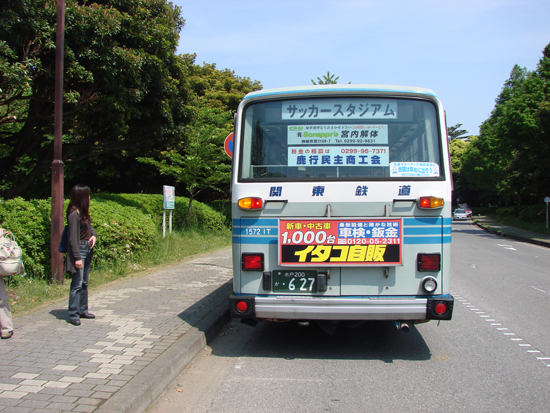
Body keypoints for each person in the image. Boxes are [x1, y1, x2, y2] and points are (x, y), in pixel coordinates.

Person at [65, 184, 97, 326]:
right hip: (79, 250)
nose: (89, 198)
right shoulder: (73, 215)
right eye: (87, 195)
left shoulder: (83, 213)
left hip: (87, 249)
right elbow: (72, 239)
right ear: (82, 197)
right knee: (77, 283)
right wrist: (77, 258)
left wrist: (94, 236)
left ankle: (83, 309)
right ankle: (73, 313)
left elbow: (91, 229)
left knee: (84, 282)